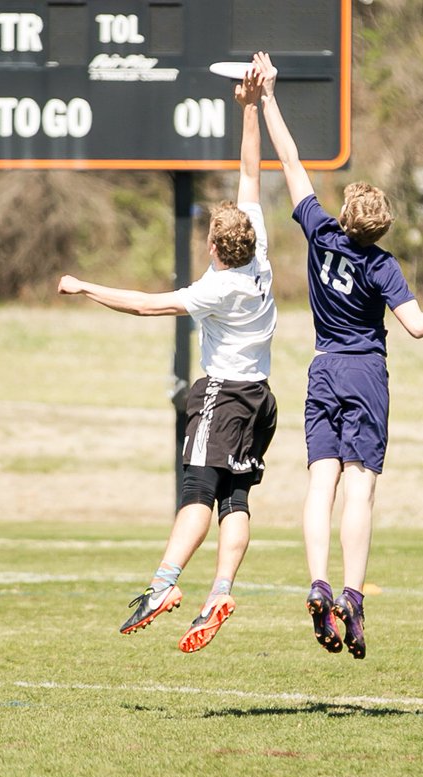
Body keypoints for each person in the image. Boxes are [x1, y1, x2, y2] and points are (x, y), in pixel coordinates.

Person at [252, 51, 423, 660]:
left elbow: (290, 159)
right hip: (365, 372)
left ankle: (317, 582)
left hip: (322, 368)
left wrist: (268, 98)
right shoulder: (383, 266)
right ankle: (352, 594)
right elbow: (416, 326)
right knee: (360, 489)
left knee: (321, 483)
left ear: (345, 218)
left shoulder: (320, 232)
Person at [57, 68, 276, 653]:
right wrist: (249, 106)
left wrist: (85, 287)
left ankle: (163, 584)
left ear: (213, 246)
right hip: (261, 398)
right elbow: (251, 172)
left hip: (223, 396)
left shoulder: (217, 288)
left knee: (197, 492)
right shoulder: (258, 256)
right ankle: (221, 590)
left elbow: (143, 305)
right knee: (236, 498)